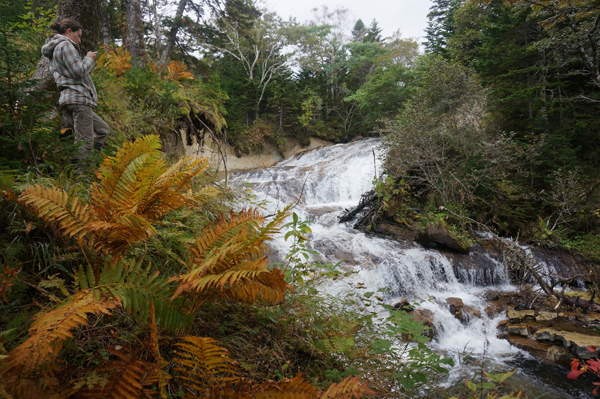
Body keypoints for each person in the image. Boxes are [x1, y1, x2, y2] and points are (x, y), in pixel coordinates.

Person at [41, 18, 109, 165]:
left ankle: (91, 158)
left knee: (103, 130)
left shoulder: (56, 48)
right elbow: (79, 71)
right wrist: (89, 59)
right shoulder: (65, 44)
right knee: (84, 140)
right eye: (78, 36)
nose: (79, 41)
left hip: (70, 100)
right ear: (69, 31)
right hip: (78, 99)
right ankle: (79, 176)